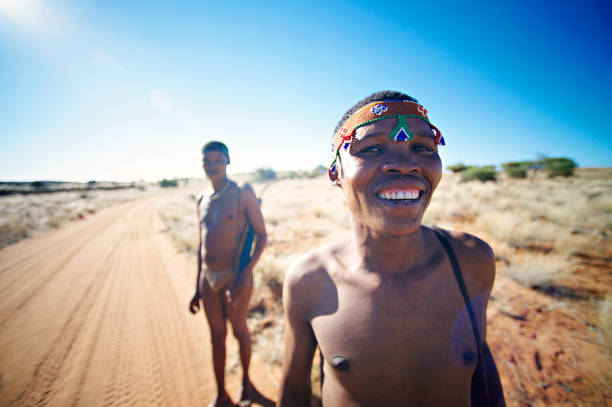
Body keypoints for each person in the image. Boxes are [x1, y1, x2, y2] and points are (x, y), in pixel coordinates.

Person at [277, 91, 505, 406]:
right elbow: (293, 394)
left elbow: (480, 363)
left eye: (423, 147)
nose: (405, 164)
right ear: (336, 173)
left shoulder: (472, 260)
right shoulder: (310, 281)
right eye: (371, 148)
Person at [190, 141, 267, 407]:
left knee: (239, 331)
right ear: (202, 164)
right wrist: (195, 286)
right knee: (216, 336)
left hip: (236, 277)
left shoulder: (241, 193)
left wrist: (246, 273)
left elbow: (262, 234)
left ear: (228, 161)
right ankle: (221, 393)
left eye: (217, 160)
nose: (212, 165)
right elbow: (201, 245)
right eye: (207, 161)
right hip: (208, 279)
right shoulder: (201, 199)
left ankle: (248, 384)